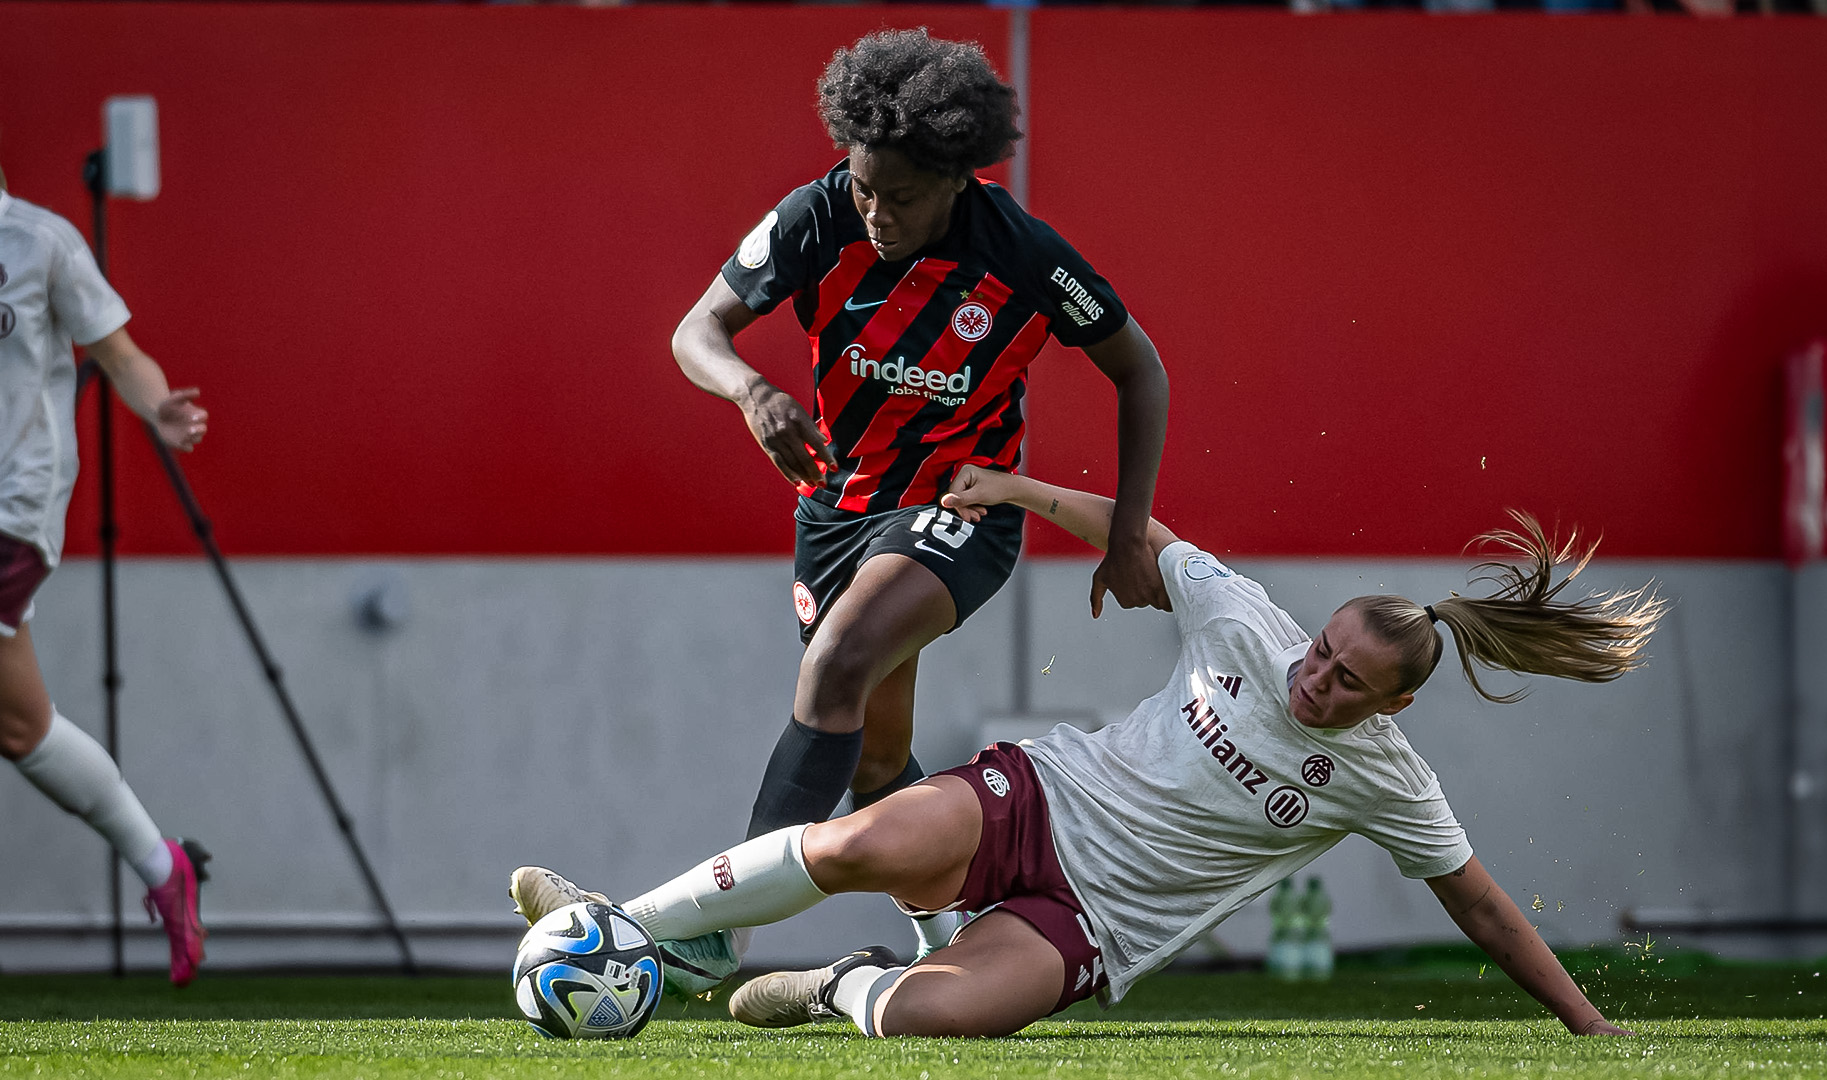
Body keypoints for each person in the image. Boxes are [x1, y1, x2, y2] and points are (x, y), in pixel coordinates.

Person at [511, 464, 1664, 1037]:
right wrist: (1017, 488)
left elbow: (1485, 909)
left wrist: (1588, 1023)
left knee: (930, 1023)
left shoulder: (1389, 783)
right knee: (865, 839)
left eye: (1345, 680)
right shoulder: (1243, 621)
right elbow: (1141, 535)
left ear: (1391, 708)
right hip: (1039, 799)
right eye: (1320, 652)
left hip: (1092, 925)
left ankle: (832, 984)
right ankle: (627, 927)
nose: (1314, 677)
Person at [510, 28, 1172, 988]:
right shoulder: (817, 215)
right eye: (863, 187)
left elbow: (1139, 370)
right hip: (836, 512)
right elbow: (697, 330)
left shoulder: (1022, 253)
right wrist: (750, 390)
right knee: (875, 757)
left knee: (836, 667)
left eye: (899, 197)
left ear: (955, 179)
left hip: (960, 508)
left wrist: (1125, 534)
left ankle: (702, 934)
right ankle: (962, 936)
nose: (874, 212)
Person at [0, 166, 211, 985]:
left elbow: (120, 353)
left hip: (14, 510)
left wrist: (158, 408)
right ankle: (165, 866)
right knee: (21, 729)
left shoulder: (41, 241)